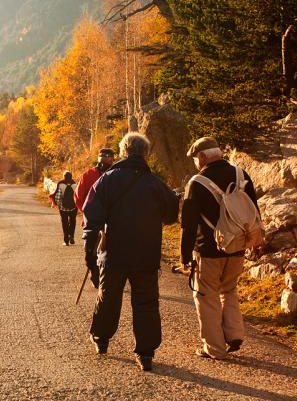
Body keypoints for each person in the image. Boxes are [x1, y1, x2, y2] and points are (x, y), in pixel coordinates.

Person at [83, 132, 179, 371]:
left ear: (123, 151)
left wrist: (89, 252)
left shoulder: (106, 181)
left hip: (113, 253)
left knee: (109, 298)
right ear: (145, 154)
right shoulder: (155, 183)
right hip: (146, 254)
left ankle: (101, 339)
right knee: (146, 302)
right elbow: (170, 216)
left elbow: (91, 215)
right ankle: (145, 354)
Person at [181, 137, 259, 360]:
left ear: (203, 156)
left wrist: (185, 256)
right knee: (229, 289)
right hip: (237, 246)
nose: (196, 162)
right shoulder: (241, 174)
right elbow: (254, 209)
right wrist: (252, 240)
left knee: (206, 296)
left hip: (208, 250)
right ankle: (234, 334)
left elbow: (188, 225)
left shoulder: (196, 183)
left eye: (196, 158)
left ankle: (214, 348)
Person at [74, 148, 115, 288]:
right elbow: (78, 197)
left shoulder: (115, 175)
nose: (105, 161)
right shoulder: (89, 175)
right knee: (91, 253)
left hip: (110, 222)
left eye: (108, 159)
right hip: (94, 222)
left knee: (108, 252)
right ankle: (96, 275)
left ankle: (103, 277)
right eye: (104, 158)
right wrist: (88, 213)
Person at [50, 171, 78, 246]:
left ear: (64, 177)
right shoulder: (75, 185)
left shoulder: (61, 185)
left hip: (63, 208)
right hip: (73, 208)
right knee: (73, 222)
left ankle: (66, 240)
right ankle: (71, 236)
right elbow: (78, 196)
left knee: (64, 223)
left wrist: (59, 205)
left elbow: (58, 197)